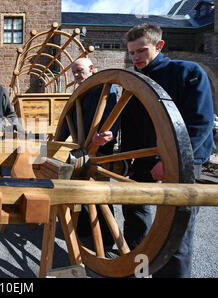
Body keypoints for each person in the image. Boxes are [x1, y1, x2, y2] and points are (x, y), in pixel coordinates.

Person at [122, 23, 214, 277]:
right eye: (131, 53)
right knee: (135, 216)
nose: (136, 57)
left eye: (141, 51)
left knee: (176, 232)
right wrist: (124, 162)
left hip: (184, 160)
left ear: (159, 46)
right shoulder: (133, 83)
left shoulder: (188, 72)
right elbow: (130, 129)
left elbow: (201, 122)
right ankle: (138, 271)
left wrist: (172, 159)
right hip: (144, 160)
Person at [57, 57, 119, 254]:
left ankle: (107, 241)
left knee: (102, 195)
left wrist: (112, 133)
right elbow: (69, 121)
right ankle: (84, 230)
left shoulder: (107, 89)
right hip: (82, 149)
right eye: (74, 72)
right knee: (82, 190)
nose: (76, 75)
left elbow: (115, 113)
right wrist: (54, 142)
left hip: (101, 151)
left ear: (92, 68)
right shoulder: (79, 92)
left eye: (80, 71)